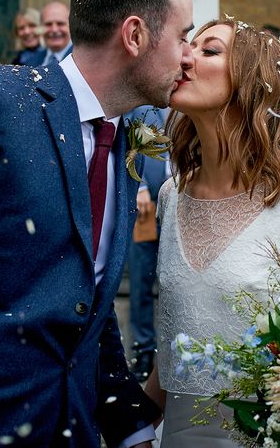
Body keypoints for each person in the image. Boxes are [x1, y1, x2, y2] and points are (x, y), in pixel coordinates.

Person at [0, 0, 194, 447]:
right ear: (135, 36)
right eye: (183, 35)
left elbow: (85, 302)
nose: (188, 55)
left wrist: (130, 428)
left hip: (70, 425)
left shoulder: (127, 136)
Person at [144, 19, 280, 446]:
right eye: (190, 45)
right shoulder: (171, 195)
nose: (186, 57)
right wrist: (134, 428)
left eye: (210, 50)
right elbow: (174, 343)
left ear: (252, 81)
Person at [126, 105, 170, 383]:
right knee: (141, 281)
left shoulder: (194, 109)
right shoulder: (142, 110)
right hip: (145, 207)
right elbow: (126, 148)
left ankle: (170, 351)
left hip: (179, 205)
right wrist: (139, 187)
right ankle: (142, 350)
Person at [40, 0, 73, 65]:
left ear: (71, 25)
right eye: (48, 24)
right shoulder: (31, 62)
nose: (54, 30)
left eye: (60, 24)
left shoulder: (82, 61)